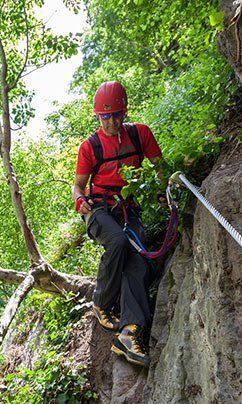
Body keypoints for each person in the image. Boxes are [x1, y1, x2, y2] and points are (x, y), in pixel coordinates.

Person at [72, 81, 163, 367]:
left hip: (127, 208)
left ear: (124, 112)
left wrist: (162, 189)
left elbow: (160, 168)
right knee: (118, 242)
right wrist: (79, 201)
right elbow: (78, 186)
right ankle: (102, 301)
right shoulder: (90, 147)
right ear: (97, 116)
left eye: (115, 115)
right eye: (104, 116)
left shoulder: (140, 135)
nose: (110, 121)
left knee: (138, 261)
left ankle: (130, 332)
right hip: (98, 209)